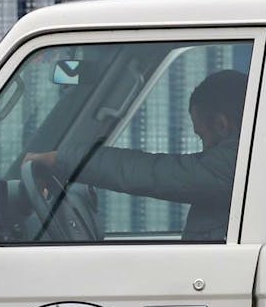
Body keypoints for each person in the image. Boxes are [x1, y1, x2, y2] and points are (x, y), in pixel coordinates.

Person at [24, 69, 248, 241]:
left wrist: (61, 159)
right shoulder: (251, 161)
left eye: (202, 136)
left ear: (221, 125)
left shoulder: (237, 166)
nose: (203, 149)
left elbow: (150, 173)